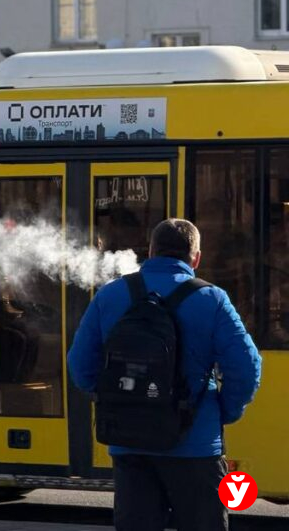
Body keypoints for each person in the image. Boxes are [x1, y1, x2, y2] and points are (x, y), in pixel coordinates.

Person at [67, 218, 262, 531]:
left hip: (129, 442)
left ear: (151, 250)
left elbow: (80, 366)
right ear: (195, 257)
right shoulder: (212, 299)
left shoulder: (110, 296)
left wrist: (119, 399)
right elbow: (246, 368)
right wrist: (223, 412)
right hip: (195, 445)